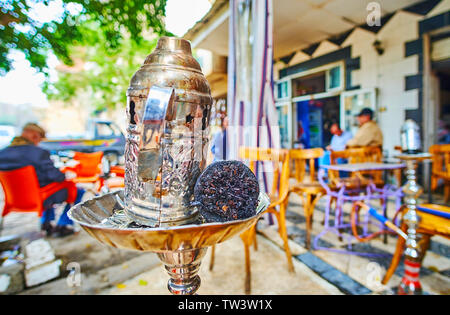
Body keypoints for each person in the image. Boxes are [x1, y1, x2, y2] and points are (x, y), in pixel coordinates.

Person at [0, 123, 84, 237]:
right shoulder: (38, 153)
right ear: (35, 136)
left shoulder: (3, 153)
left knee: (46, 186)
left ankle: (46, 223)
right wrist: (65, 174)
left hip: (13, 199)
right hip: (40, 197)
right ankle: (64, 224)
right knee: (77, 190)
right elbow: (57, 176)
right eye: (39, 139)